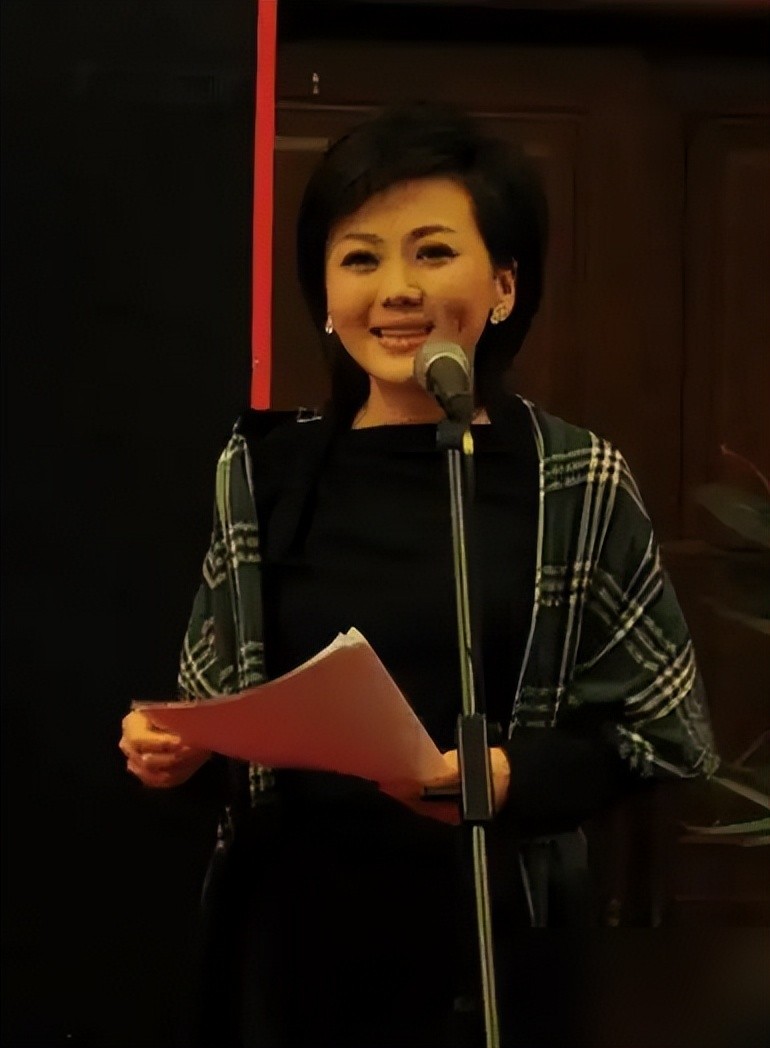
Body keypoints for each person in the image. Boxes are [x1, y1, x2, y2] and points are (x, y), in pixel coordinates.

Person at [119, 102, 719, 1048]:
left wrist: (506, 776)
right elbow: (217, 709)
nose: (396, 289)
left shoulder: (574, 478)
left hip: (496, 934)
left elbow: (663, 734)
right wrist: (178, 749)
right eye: (360, 259)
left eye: (433, 252)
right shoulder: (265, 474)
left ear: (505, 285)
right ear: (325, 294)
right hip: (291, 943)